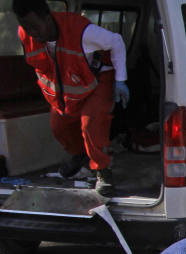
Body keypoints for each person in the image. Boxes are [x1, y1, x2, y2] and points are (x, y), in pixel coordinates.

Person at [14, 0, 129, 197]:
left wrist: (121, 80)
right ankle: (80, 155)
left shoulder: (82, 32)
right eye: (25, 27)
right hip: (71, 85)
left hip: (98, 79)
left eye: (34, 26)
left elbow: (116, 41)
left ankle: (103, 171)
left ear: (48, 18)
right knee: (59, 126)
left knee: (91, 123)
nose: (31, 32)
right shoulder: (25, 34)